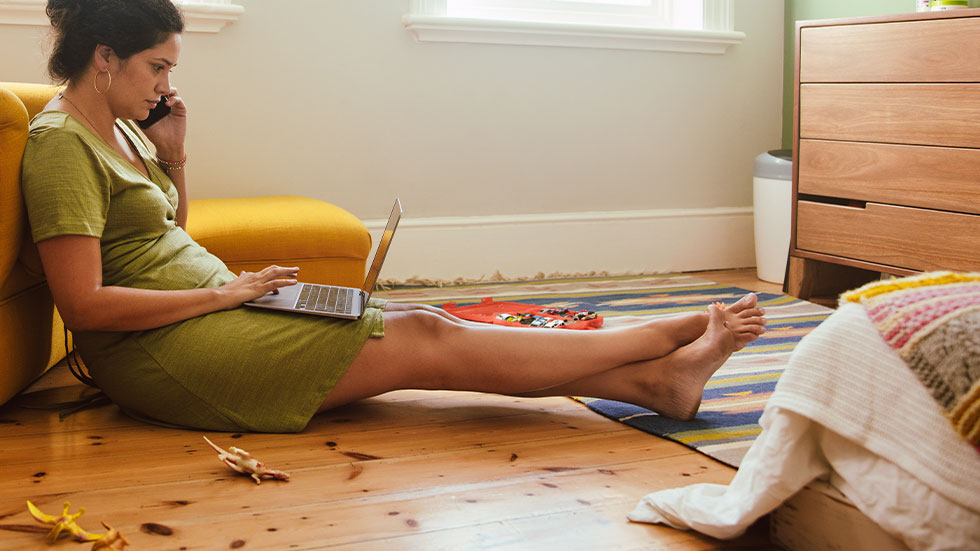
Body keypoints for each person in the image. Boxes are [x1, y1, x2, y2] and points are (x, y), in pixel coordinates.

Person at [22, 0, 766, 433]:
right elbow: (83, 303)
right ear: (106, 57)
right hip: (161, 353)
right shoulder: (61, 147)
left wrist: (176, 158)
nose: (165, 85)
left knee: (406, 317)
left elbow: (167, 238)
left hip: (213, 306)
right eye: (159, 67)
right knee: (425, 338)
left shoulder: (119, 130)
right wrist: (222, 294)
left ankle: (657, 385)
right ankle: (656, 336)